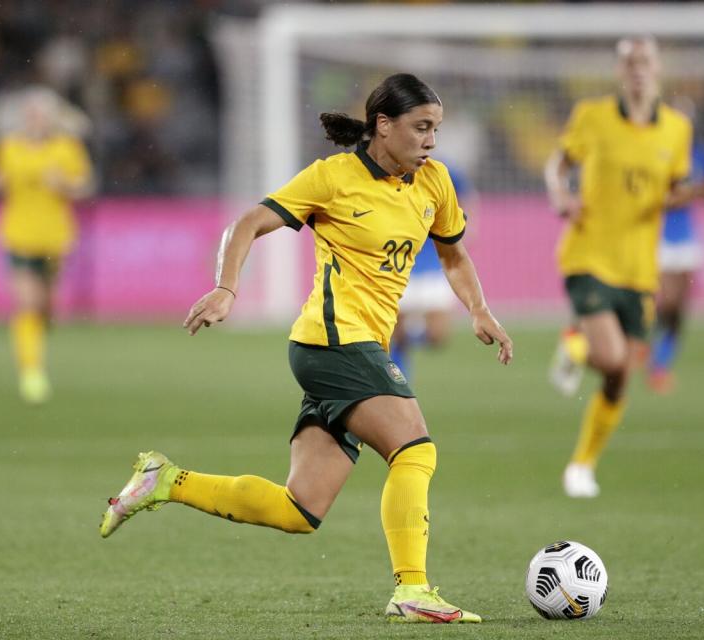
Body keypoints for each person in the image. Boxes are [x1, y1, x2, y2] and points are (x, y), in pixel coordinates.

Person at [99, 73, 513, 623]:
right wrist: (227, 288)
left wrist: (479, 310)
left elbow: (455, 255)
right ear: (383, 126)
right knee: (415, 450)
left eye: (436, 128)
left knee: (300, 509)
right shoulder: (333, 178)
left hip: (347, 348)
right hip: (334, 342)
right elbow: (247, 223)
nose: (432, 141)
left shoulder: (434, 182)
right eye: (421, 127)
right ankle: (412, 589)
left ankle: (166, 481)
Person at [544, 37, 704, 498]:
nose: (638, 70)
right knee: (610, 357)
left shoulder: (677, 129)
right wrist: (561, 196)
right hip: (588, 255)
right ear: (620, 72)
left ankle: (581, 465)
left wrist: (695, 194)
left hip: (640, 269)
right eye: (629, 63)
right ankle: (578, 344)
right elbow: (557, 164)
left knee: (623, 374)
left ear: (659, 69)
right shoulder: (592, 117)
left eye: (645, 62)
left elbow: (664, 193)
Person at [0, 87, 94, 404]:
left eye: (41, 115)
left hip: (55, 239)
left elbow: (85, 185)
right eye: (31, 114)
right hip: (17, 236)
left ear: (51, 119)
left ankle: (37, 340)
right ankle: (31, 373)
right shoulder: (9, 147)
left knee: (46, 307)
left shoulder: (66, 148)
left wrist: (66, 185)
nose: (35, 120)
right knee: (27, 304)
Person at [648, 96, 704, 394]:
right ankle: (641, 344)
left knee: (679, 311)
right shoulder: (658, 152)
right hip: (660, 238)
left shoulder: (699, 154)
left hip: (687, 239)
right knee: (665, 303)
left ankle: (660, 366)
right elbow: (656, 197)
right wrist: (695, 192)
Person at [389, 163, 476, 380]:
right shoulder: (389, 169)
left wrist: (464, 231)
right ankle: (399, 382)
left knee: (439, 336)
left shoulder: (443, 171)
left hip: (435, 264)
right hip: (401, 265)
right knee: (393, 333)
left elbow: (466, 199)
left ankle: (407, 336)